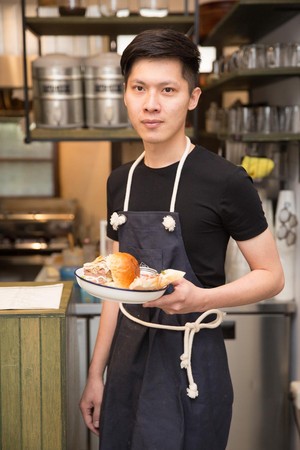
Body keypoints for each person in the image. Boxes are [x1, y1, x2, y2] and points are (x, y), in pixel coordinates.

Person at [79, 28, 284, 450]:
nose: (151, 104)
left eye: (167, 89)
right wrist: (95, 375)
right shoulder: (121, 181)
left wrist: (202, 299)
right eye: (139, 88)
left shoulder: (225, 180)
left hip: (192, 361)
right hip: (126, 362)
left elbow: (272, 275)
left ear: (192, 97)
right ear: (125, 93)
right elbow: (115, 289)